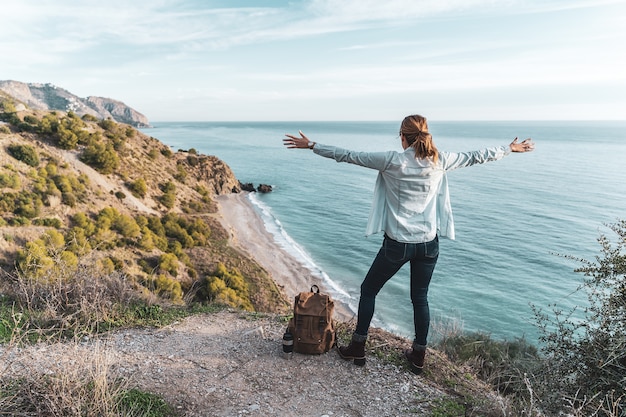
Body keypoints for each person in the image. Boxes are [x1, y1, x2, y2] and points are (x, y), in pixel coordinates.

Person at [282, 114, 534, 374]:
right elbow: (476, 156)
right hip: (428, 244)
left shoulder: (392, 161)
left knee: (369, 290)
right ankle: (418, 355)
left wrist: (312, 145)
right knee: (419, 298)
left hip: (397, 244)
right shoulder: (440, 160)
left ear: (403, 137)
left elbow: (349, 155)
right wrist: (509, 149)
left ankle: (358, 348)